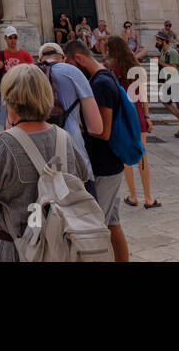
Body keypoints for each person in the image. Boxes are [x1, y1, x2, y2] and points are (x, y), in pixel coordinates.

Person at [0, 64, 93, 262]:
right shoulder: (65, 139)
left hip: (16, 250)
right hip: (62, 250)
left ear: (10, 100)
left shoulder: (3, 144)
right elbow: (81, 186)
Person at [64, 40, 131, 260]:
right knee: (112, 224)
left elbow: (103, 131)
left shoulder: (100, 84)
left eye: (70, 64)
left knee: (94, 227)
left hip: (104, 166)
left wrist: (78, 125)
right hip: (109, 164)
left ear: (80, 60)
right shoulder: (105, 77)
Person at [105, 35, 158, 209]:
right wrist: (147, 116)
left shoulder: (109, 67)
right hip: (137, 111)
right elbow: (143, 95)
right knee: (142, 153)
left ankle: (134, 196)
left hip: (121, 112)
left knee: (126, 155)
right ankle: (149, 198)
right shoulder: (136, 67)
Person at [38, 42, 105, 177]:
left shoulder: (28, 74)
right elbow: (96, 128)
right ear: (63, 58)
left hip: (38, 155)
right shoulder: (72, 72)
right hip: (73, 150)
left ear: (40, 60)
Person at [0, 28, 35, 127]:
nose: (13, 40)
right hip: (6, 90)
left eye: (15, 37)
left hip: (21, 90)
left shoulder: (26, 55)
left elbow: (33, 72)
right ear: (5, 39)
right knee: (6, 119)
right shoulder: (1, 55)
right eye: (10, 38)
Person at [154, 29, 179, 138]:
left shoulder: (172, 52)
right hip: (169, 81)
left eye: (158, 39)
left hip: (177, 80)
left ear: (163, 40)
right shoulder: (163, 52)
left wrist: (160, 62)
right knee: (165, 101)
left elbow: (173, 68)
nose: (156, 41)